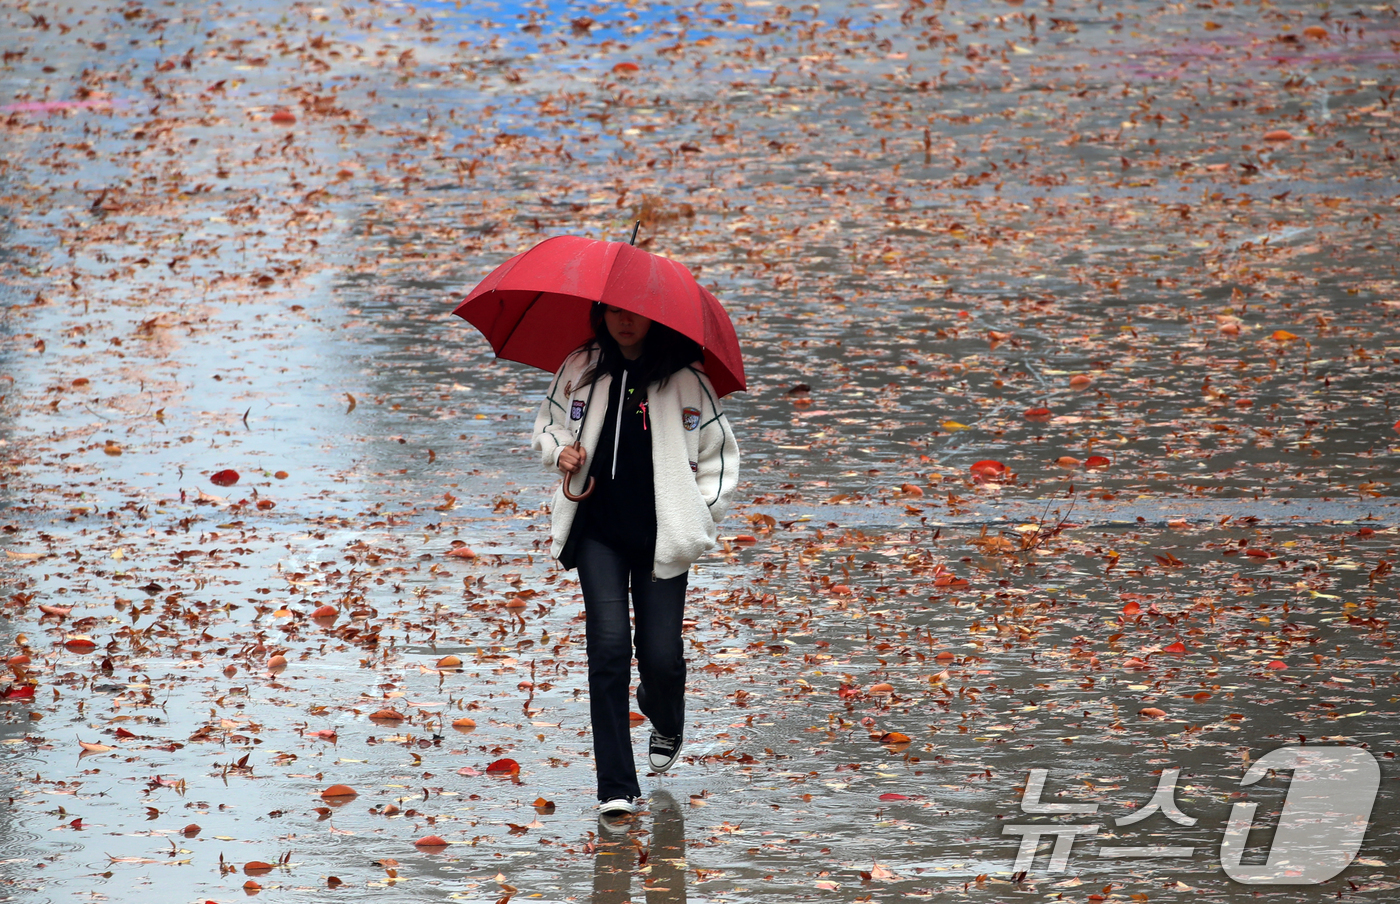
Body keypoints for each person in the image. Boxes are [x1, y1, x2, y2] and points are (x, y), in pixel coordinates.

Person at [532, 303, 739, 820]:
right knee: (607, 647)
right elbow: (549, 424)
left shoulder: (687, 379)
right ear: (602, 313)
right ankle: (615, 786)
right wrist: (559, 450)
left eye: (637, 313)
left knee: (661, 657)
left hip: (662, 536)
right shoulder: (580, 366)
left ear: (656, 317)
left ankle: (665, 714)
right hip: (597, 528)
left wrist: (698, 515)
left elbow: (720, 456)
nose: (626, 322)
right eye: (616, 312)